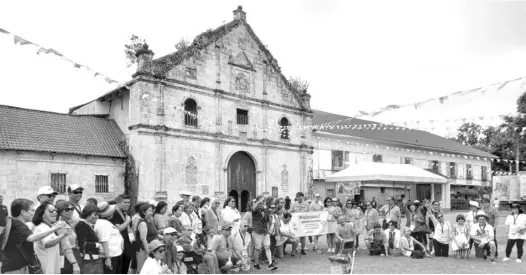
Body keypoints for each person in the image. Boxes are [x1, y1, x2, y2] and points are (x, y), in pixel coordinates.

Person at [1, 198, 66, 274]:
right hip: (16, 269)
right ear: (23, 212)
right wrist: (56, 228)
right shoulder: (19, 225)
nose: (34, 213)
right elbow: (31, 238)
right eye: (32, 210)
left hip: (14, 266)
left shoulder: (12, 223)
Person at [32, 201, 67, 274]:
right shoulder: (41, 228)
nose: (55, 213)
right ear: (42, 214)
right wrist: (63, 235)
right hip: (46, 269)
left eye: (55, 210)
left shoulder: (49, 227)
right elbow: (47, 244)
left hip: (52, 268)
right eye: (51, 210)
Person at [109, 194, 135, 274]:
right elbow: (118, 229)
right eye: (125, 202)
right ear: (118, 202)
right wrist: (127, 221)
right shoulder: (114, 213)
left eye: (129, 202)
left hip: (127, 244)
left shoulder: (126, 213)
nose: (127, 204)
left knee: (125, 269)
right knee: (119, 270)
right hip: (119, 246)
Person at [96, 202, 124, 274]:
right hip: (110, 255)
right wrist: (108, 258)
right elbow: (104, 241)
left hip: (114, 254)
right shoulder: (103, 223)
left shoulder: (105, 222)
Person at [75, 204, 104, 273]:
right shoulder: (82, 225)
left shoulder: (86, 224)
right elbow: (83, 244)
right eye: (95, 215)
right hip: (89, 261)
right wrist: (97, 245)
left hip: (93, 260)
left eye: (98, 215)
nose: (97, 217)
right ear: (87, 214)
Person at [55, 200, 82, 274]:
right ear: (59, 212)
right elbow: (65, 247)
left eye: (72, 209)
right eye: (67, 209)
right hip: (68, 258)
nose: (70, 211)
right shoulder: (60, 225)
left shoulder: (67, 223)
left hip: (74, 255)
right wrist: (74, 264)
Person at [251, 195, 277, 271]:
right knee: (258, 248)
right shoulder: (255, 208)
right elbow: (254, 209)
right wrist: (258, 202)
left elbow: (267, 220)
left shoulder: (266, 209)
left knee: (267, 247)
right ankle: (256, 264)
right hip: (258, 231)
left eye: (264, 201)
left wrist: (268, 230)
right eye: (262, 200)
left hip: (265, 231)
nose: (263, 202)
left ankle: (270, 264)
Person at [136, 203, 158, 272]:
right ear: (143, 212)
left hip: (152, 248)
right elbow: (143, 239)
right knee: (143, 269)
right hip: (143, 249)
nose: (151, 213)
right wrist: (148, 252)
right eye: (149, 211)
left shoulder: (150, 220)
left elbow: (155, 233)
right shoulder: (143, 223)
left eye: (152, 211)